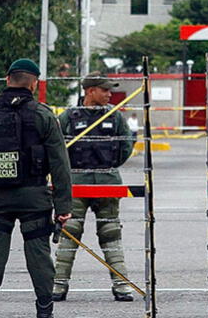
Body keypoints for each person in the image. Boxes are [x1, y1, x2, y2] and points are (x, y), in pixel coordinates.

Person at [0, 59, 72, 318]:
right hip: (34, 198)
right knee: (39, 256)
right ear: (34, 83)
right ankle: (44, 310)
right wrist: (63, 207)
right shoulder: (43, 115)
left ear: (7, 78)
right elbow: (60, 164)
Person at [52, 72, 135, 302]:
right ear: (90, 91)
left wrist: (109, 167)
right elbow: (56, 148)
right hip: (76, 184)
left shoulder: (115, 117)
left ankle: (121, 284)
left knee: (111, 233)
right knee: (70, 232)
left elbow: (126, 145)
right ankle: (58, 285)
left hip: (107, 184)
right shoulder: (68, 117)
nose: (110, 94)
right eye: (105, 90)